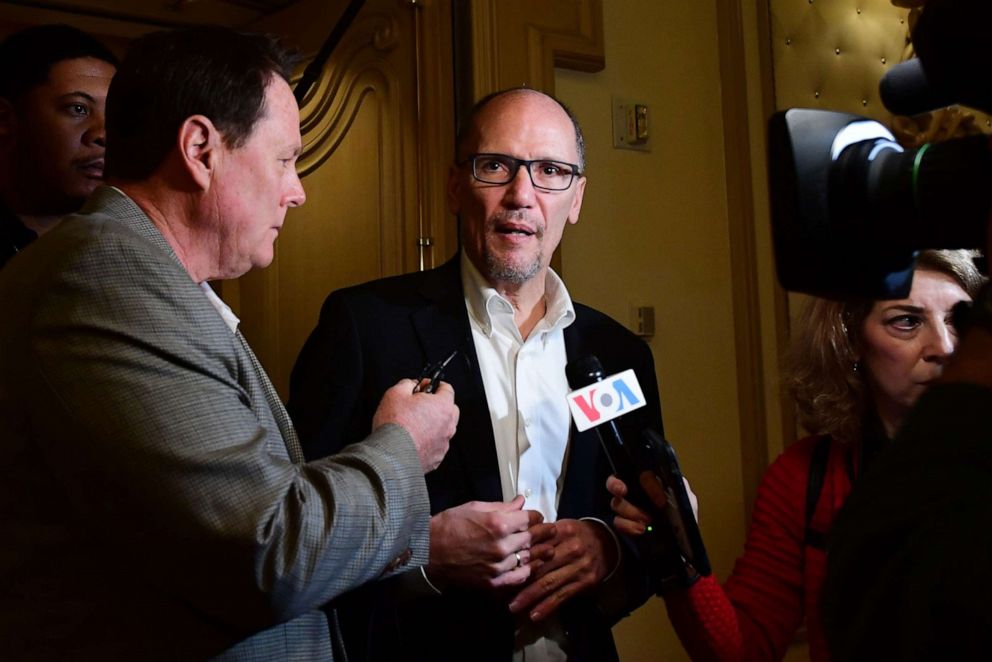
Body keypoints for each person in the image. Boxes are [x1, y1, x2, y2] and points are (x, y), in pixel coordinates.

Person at [0, 26, 459, 660]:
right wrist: (402, 445)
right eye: (285, 159)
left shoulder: (149, 279)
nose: (297, 190)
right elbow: (269, 555)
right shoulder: (105, 282)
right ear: (200, 149)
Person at [288, 87, 661, 661]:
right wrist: (423, 554)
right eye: (496, 166)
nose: (523, 195)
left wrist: (608, 549)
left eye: (551, 171)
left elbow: (657, 528)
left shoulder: (617, 352)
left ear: (577, 197)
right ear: (455, 185)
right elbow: (299, 540)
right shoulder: (365, 327)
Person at [606, 249, 983, 661]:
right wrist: (681, 553)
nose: (944, 346)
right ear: (851, 341)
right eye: (907, 322)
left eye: (959, 321)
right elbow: (743, 649)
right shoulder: (805, 476)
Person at [0, 23, 117, 268]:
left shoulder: (127, 245)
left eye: (117, 114)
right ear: (6, 119)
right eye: (78, 109)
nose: (103, 135)